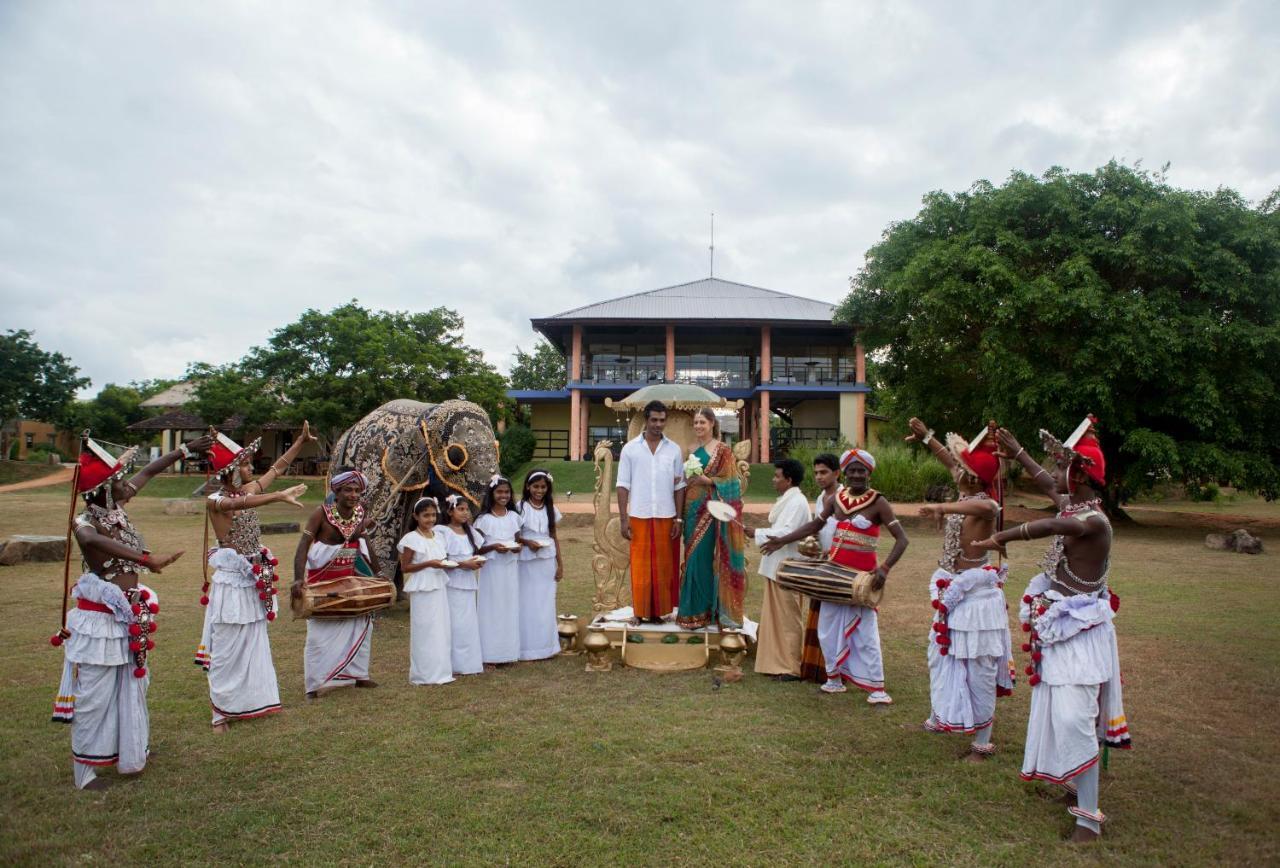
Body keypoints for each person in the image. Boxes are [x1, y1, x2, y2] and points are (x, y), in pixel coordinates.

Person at [973, 418, 1130, 843]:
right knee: (1062, 714)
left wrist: (1001, 536)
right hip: (1061, 627)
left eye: (1061, 466)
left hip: (1079, 632)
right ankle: (1076, 787)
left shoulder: (1092, 520)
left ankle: (1088, 821)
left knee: (1075, 718)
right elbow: (1047, 486)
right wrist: (1018, 451)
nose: (1053, 472)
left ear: (1077, 473)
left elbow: (1051, 526)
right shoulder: (1074, 504)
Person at [52, 432, 211, 789]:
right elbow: (91, 542)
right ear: (104, 489)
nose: (129, 485)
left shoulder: (116, 508)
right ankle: (85, 772)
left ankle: (131, 748)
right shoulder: (85, 522)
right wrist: (146, 559)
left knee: (132, 684)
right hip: (99, 621)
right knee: (95, 693)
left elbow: (150, 470)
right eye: (121, 480)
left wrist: (185, 450)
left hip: (126, 614)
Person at [762, 448, 908, 704]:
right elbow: (814, 526)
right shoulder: (836, 500)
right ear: (846, 473)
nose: (856, 475)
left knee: (865, 634)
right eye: (852, 470)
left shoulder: (878, 502)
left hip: (860, 580)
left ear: (868, 473)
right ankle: (834, 679)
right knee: (828, 631)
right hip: (833, 575)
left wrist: (884, 569)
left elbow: (902, 540)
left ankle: (877, 689)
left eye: (860, 470)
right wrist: (781, 540)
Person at [909, 418, 1013, 759]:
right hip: (951, 591)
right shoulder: (965, 491)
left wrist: (942, 506)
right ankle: (943, 714)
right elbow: (948, 460)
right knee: (941, 655)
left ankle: (983, 742)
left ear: (972, 477)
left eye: (962, 468)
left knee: (978, 668)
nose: (954, 470)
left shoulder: (985, 505)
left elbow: (985, 507)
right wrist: (927, 437)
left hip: (977, 600)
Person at [198, 426, 310, 732]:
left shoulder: (244, 491)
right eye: (245, 465)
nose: (251, 469)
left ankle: (248, 702)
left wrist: (299, 442)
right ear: (229, 471)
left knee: (252, 640)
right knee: (227, 645)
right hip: (232, 581)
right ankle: (219, 712)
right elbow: (239, 505)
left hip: (252, 576)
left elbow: (277, 469)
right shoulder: (217, 500)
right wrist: (278, 496)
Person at [292, 468, 383, 698]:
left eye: (357, 491)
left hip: (350, 578)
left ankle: (358, 675)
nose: (353, 495)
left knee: (361, 624)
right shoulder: (320, 514)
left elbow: (364, 541)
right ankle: (315, 685)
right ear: (336, 491)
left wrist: (377, 572)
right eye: (347, 490)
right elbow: (303, 546)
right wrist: (298, 578)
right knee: (319, 636)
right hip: (323, 580)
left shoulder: (360, 513)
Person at [616, 400, 686, 625]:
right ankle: (639, 612)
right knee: (640, 567)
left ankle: (658, 613)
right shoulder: (630, 449)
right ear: (646, 420)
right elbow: (622, 485)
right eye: (654, 420)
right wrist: (624, 519)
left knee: (664, 567)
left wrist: (679, 518)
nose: (658, 424)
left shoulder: (674, 449)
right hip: (639, 515)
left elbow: (679, 487)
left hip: (667, 516)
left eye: (662, 420)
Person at [676, 407, 747, 630]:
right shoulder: (690, 449)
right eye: (695, 423)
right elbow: (684, 480)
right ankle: (689, 611)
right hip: (690, 510)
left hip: (711, 509)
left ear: (712, 424)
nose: (698, 427)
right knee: (690, 558)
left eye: (702, 423)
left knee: (703, 559)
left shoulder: (722, 450)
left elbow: (733, 481)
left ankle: (706, 611)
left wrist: (709, 481)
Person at [754, 458, 812, 679]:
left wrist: (756, 533)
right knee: (776, 618)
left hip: (787, 567)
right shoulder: (789, 500)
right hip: (777, 565)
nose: (773, 480)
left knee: (788, 617)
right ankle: (776, 663)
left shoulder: (798, 502)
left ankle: (791, 667)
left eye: (777, 476)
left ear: (789, 480)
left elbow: (787, 531)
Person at [397, 497, 454, 685]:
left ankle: (441, 671)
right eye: (425, 516)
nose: (430, 519)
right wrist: (429, 563)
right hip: (423, 586)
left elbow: (442, 558)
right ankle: (424, 673)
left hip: (439, 584)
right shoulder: (411, 539)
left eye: (433, 515)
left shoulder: (438, 536)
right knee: (425, 628)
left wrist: (444, 564)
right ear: (416, 516)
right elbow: (405, 567)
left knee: (440, 627)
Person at [799, 452, 840, 683]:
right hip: (822, 566)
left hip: (840, 566)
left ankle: (838, 671)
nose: (819, 477)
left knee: (836, 621)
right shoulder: (821, 497)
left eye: (823, 472)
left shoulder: (845, 497)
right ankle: (818, 670)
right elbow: (817, 528)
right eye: (815, 473)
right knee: (820, 619)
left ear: (836, 473)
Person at [474, 476, 522, 666]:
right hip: (492, 570)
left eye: (507, 492)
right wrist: (494, 546)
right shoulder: (483, 520)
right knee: (491, 608)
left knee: (509, 607)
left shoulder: (514, 517)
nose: (503, 495)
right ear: (492, 494)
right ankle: (490, 653)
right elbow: (477, 548)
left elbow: (518, 542)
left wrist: (515, 547)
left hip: (509, 568)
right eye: (499, 492)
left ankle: (508, 652)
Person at [515, 470, 563, 661]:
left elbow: (554, 536)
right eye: (535, 486)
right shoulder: (520, 508)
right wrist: (528, 543)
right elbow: (515, 536)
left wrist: (560, 564)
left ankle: (546, 647)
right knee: (527, 602)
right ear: (528, 486)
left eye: (543, 487)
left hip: (546, 561)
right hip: (527, 561)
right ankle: (526, 648)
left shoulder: (550, 508)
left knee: (545, 602)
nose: (539, 490)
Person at [438, 493, 486, 676]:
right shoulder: (443, 531)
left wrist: (476, 561)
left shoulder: (470, 532)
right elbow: (442, 560)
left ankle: (468, 663)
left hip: (467, 582)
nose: (465, 513)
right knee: (454, 623)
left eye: (467, 510)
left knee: (467, 623)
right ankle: (452, 663)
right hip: (452, 583)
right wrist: (462, 564)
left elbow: (474, 552)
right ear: (450, 511)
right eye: (461, 509)